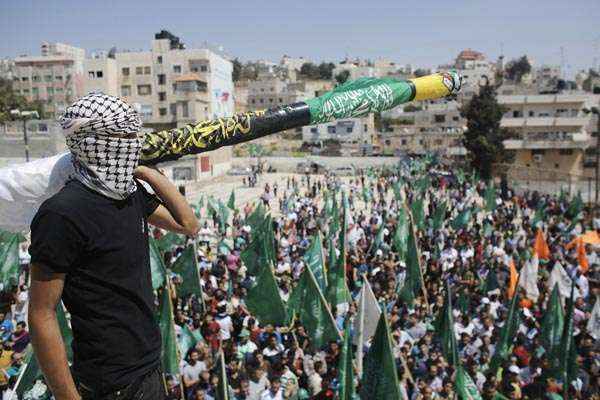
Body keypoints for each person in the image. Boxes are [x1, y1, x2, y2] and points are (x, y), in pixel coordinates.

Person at [28, 93, 199, 399]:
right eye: (127, 135)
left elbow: (188, 224)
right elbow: (41, 314)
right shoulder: (62, 213)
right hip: (110, 384)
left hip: (149, 368)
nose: (136, 143)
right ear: (94, 143)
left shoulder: (130, 195)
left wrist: (147, 172)